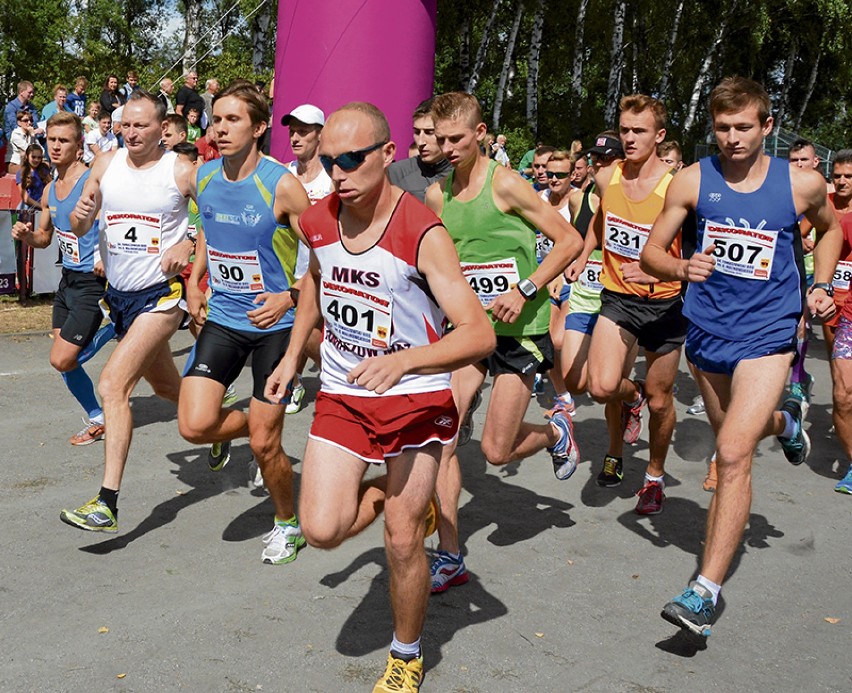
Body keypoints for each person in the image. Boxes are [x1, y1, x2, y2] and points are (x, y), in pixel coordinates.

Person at [265, 100, 494, 693]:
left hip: (414, 396)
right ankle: (398, 495)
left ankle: (406, 653)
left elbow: (478, 333)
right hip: (344, 392)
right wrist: (293, 357)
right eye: (329, 159)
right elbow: (315, 280)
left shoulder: (421, 229)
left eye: (352, 158)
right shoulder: (317, 219)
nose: (338, 170)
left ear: (387, 156)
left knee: (398, 539)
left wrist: (404, 360)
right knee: (320, 530)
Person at [640, 76, 842, 637]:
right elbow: (653, 253)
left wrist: (819, 285)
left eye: (744, 127)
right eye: (723, 127)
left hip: (770, 331)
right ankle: (784, 421)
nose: (732, 138)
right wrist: (682, 268)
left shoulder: (801, 184)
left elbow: (828, 233)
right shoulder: (692, 180)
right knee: (738, 430)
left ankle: (703, 594)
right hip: (707, 333)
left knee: (731, 453)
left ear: (766, 127)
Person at [425, 92, 583, 594]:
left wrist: (526, 288)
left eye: (457, 138)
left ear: (481, 134)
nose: (447, 148)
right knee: (442, 438)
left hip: (520, 333)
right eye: (439, 138)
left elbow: (570, 241)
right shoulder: (437, 195)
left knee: (495, 451)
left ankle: (554, 434)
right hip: (471, 331)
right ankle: (449, 555)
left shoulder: (507, 183)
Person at [178, 80, 311, 563]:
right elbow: (207, 233)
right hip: (225, 319)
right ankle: (249, 424)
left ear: (259, 128)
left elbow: (327, 254)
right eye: (217, 118)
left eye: (234, 119)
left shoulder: (281, 186)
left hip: (275, 327)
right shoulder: (204, 176)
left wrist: (288, 294)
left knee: (264, 443)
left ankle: (287, 523)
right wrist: (195, 280)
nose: (221, 127)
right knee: (193, 426)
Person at [60, 91, 196, 533]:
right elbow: (82, 224)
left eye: (141, 125)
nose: (132, 132)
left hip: (161, 296)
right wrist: (81, 217)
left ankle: (107, 502)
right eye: (126, 125)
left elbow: (216, 214)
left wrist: (189, 242)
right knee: (169, 391)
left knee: (112, 385)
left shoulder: (179, 169)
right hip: (120, 299)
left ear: (163, 129)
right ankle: (231, 426)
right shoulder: (106, 163)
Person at [584, 96, 684, 515]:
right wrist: (581, 254)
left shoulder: (676, 185)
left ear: (659, 136)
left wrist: (667, 271)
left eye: (638, 131)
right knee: (603, 385)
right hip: (618, 297)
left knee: (661, 403)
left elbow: (696, 250)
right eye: (624, 129)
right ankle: (627, 412)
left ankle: (654, 475)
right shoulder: (607, 178)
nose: (628, 138)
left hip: (665, 306)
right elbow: (599, 220)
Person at [11, 112, 116, 446]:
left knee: (62, 358)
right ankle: (99, 419)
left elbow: (111, 220)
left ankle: (117, 325)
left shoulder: (91, 182)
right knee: (66, 361)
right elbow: (45, 237)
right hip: (67, 282)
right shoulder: (49, 191)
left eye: (63, 140)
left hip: (91, 284)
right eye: (51, 140)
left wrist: (102, 255)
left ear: (78, 144)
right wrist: (27, 237)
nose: (55, 147)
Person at [281, 103, 332, 416]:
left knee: (317, 333)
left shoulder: (332, 179)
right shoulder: (283, 176)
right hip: (287, 271)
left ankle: (337, 373)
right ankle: (296, 383)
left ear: (320, 135)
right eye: (292, 131)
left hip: (325, 271)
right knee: (293, 329)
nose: (296, 137)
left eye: (303, 131)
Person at [387, 98, 452, 202]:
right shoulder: (395, 173)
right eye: (417, 132)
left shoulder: (463, 174)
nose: (421, 142)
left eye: (429, 132)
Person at [17, 144, 50, 210]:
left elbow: (51, 187)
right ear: (27, 156)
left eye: (39, 157)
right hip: (28, 207)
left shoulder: (44, 170)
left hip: (44, 204)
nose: (36, 160)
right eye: (33, 157)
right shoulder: (21, 173)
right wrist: (42, 207)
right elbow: (25, 198)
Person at [6, 110, 39, 175]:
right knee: (30, 170)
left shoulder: (30, 133)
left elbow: (41, 150)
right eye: (26, 120)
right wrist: (32, 136)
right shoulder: (15, 134)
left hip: (30, 163)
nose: (29, 123)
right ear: (19, 123)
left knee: (45, 166)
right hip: (15, 164)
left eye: (31, 120)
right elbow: (30, 150)